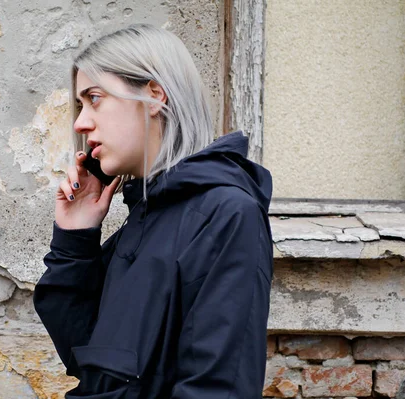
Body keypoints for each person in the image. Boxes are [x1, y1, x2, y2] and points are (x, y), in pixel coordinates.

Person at [33, 24, 273, 398]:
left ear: (155, 95)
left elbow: (217, 389)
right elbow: (86, 358)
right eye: (81, 105)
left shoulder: (225, 214)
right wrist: (75, 240)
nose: (81, 122)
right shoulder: (145, 215)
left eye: (94, 98)